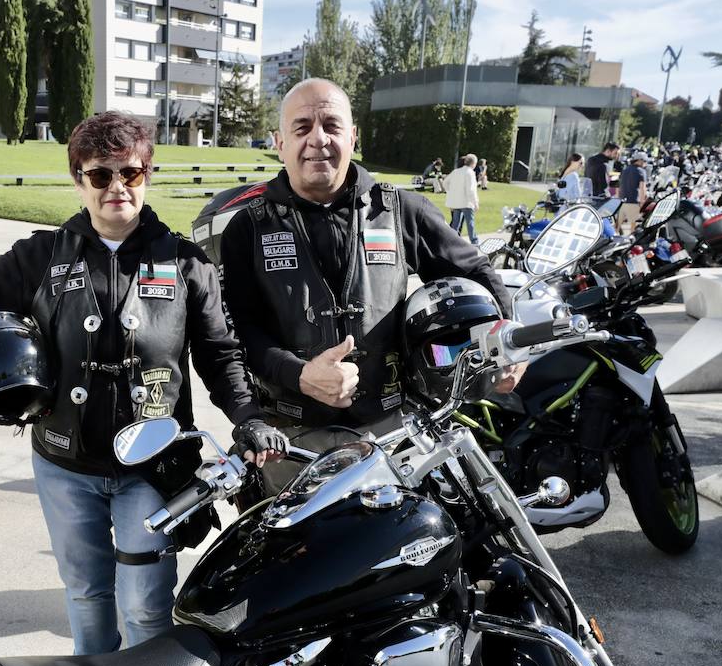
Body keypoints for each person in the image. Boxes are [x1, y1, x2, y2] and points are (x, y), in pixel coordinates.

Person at [0, 111, 285, 656]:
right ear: (78, 178)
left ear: (147, 175)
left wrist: (248, 418)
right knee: (86, 594)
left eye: (130, 173)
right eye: (99, 174)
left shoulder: (185, 263)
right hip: (65, 465)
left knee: (144, 604)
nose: (116, 188)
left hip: (152, 465)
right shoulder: (40, 256)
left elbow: (220, 356)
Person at [217, 78, 519, 480]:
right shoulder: (248, 228)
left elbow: (477, 272)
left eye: (332, 125)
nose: (318, 139)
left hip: (391, 432)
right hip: (291, 440)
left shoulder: (401, 211)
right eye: (302, 127)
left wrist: (510, 341)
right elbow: (240, 331)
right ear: (279, 142)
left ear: (353, 136)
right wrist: (299, 374)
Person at [445, 153, 480, 243]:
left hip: (457, 202)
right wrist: (475, 202)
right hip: (466, 203)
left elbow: (445, 182)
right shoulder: (470, 173)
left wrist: (450, 192)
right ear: (474, 163)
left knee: (455, 223)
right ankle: (474, 241)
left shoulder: (456, 171)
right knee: (470, 223)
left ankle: (451, 240)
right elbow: (471, 190)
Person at [618, 152, 648, 234]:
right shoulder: (641, 171)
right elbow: (642, 188)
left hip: (622, 200)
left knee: (620, 225)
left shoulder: (625, 170)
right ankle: (628, 243)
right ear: (640, 161)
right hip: (633, 201)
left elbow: (620, 185)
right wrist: (642, 202)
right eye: (645, 161)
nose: (645, 164)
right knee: (631, 228)